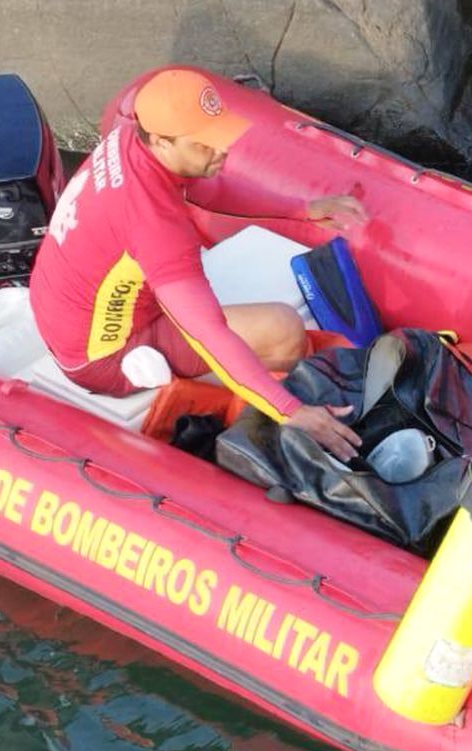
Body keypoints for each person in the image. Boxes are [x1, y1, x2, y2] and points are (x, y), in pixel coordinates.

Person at [30, 68, 368, 460]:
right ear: (161, 141)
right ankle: (228, 403)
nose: (221, 151)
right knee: (285, 332)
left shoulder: (130, 138)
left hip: (63, 309)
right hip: (104, 355)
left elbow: (204, 190)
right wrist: (290, 411)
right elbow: (207, 332)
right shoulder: (154, 225)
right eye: (205, 145)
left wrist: (302, 209)